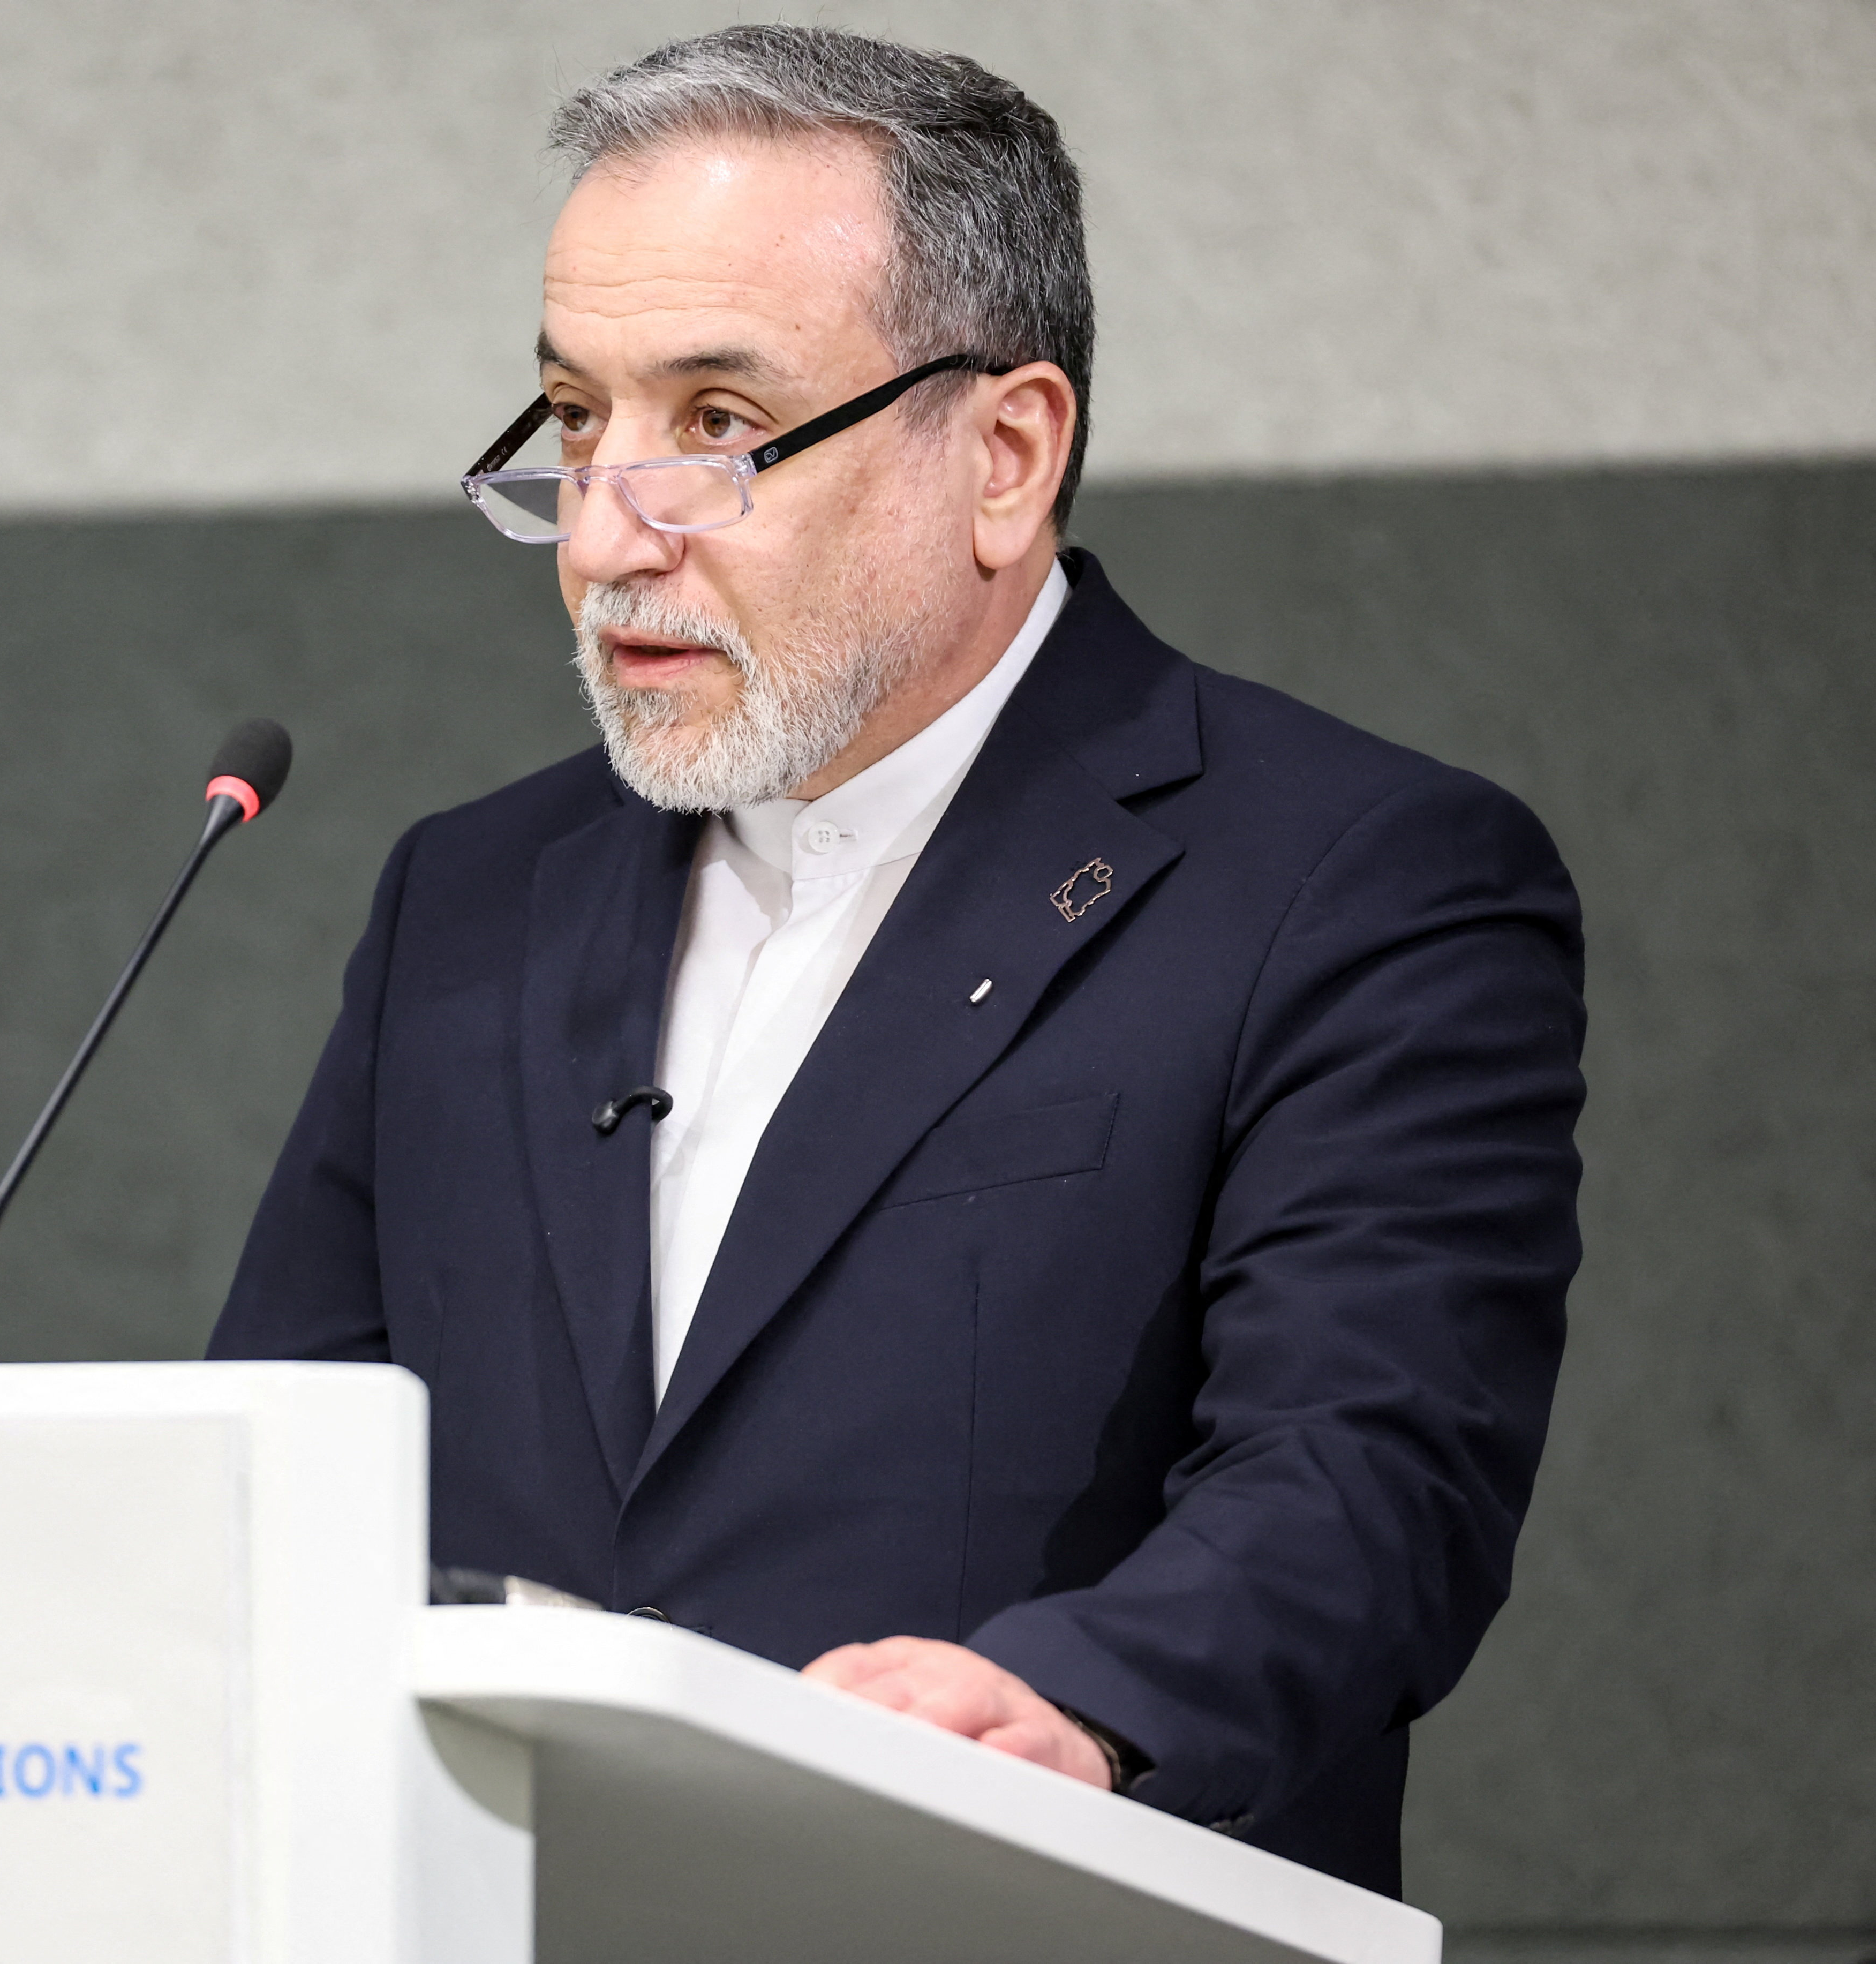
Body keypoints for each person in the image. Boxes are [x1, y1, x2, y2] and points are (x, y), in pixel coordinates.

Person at [207, 25, 1583, 1894]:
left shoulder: (1346, 879)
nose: (608, 526)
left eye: (713, 426)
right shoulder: (472, 898)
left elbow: (1367, 1474)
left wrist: (1068, 1703)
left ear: (1003, 455)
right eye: (574, 416)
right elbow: (282, 1471)